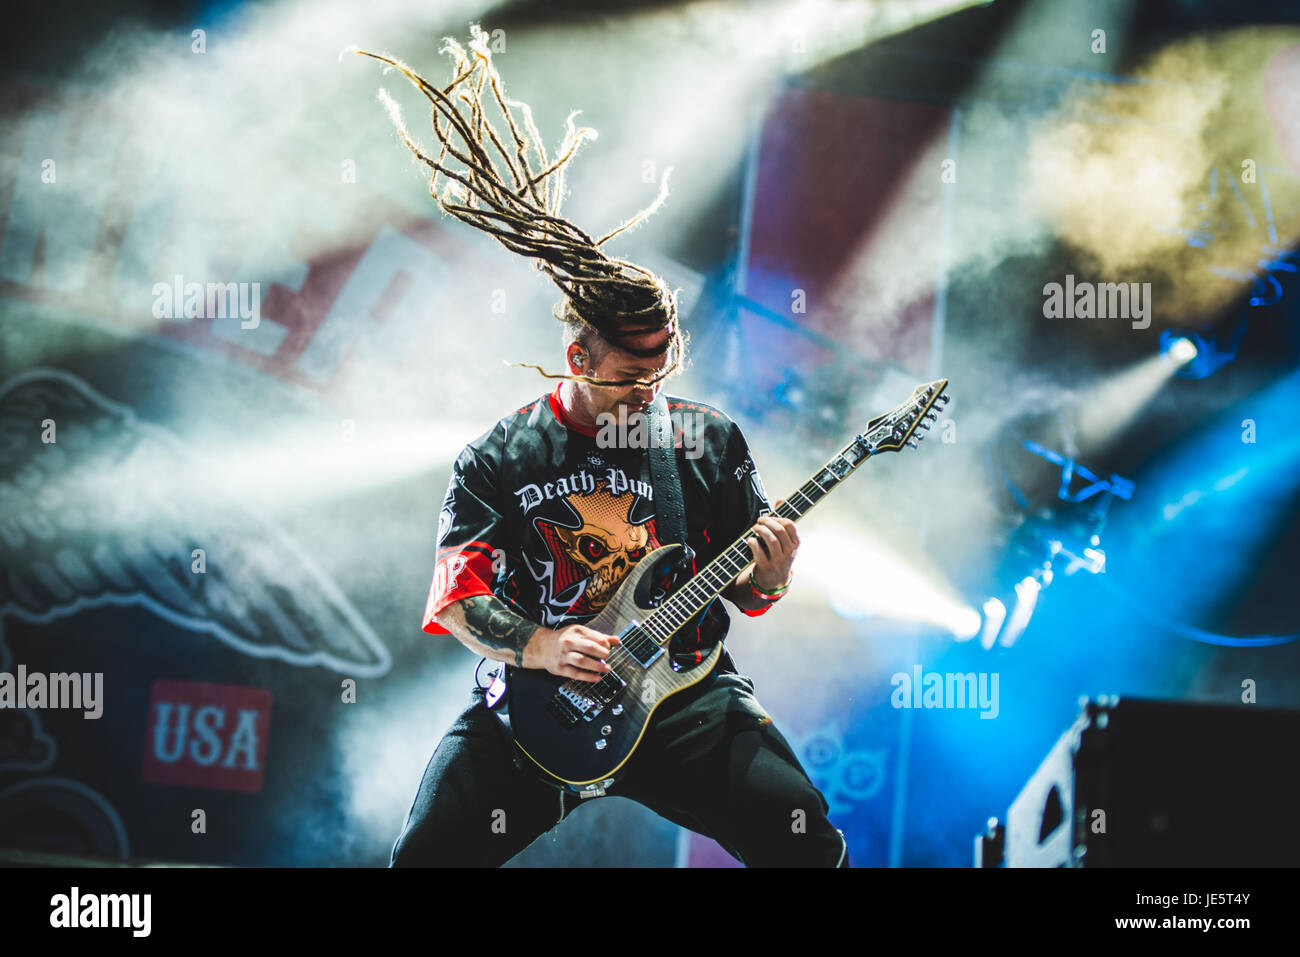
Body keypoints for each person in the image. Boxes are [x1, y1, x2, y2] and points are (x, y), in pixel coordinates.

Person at [356, 25, 847, 867]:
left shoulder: (704, 440)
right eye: (628, 373)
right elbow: (457, 597)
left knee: (803, 835)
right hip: (538, 708)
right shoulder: (500, 455)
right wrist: (543, 644)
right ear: (577, 356)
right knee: (426, 858)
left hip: (686, 699)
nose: (648, 391)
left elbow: (752, 592)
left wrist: (771, 573)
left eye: (662, 370)